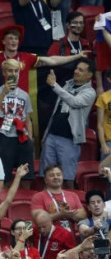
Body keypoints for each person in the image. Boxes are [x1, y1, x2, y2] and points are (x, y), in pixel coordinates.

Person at [41, 60, 97, 189]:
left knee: (67, 178)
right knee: (47, 175)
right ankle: (45, 200)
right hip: (52, 135)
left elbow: (74, 102)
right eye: (76, 68)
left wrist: (54, 85)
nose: (76, 71)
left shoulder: (90, 92)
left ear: (89, 75)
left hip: (69, 139)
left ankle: (71, 199)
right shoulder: (67, 85)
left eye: (81, 70)